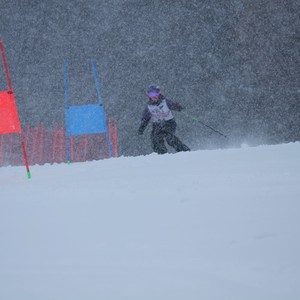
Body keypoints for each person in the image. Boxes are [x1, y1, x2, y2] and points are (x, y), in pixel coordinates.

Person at [138, 85, 190, 154]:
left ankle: (184, 151)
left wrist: (180, 108)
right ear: (148, 95)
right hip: (157, 124)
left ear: (159, 93)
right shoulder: (149, 107)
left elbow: (174, 105)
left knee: (170, 138)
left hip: (169, 122)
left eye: (156, 93)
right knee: (155, 139)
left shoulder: (165, 102)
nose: (154, 96)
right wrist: (142, 127)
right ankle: (162, 154)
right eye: (151, 94)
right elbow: (145, 119)